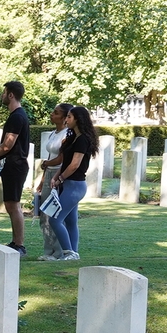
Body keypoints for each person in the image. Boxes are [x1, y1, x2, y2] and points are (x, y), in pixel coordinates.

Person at [44, 106, 96, 261]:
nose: (66, 120)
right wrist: (56, 177)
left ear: (78, 119)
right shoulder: (72, 138)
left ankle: (69, 252)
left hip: (75, 185)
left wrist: (60, 178)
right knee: (70, 221)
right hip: (68, 185)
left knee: (55, 220)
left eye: (69, 117)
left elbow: (74, 165)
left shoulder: (82, 140)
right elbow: (65, 163)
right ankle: (73, 253)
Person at [0, 80, 33, 254]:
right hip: (12, 164)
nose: (2, 95)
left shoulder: (17, 116)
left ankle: (19, 244)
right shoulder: (17, 115)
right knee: (10, 204)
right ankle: (15, 242)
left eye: (4, 92)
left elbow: (8, 145)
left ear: (11, 95)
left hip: (16, 165)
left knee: (13, 205)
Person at [32, 101, 71, 260]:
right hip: (49, 173)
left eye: (56, 113)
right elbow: (49, 157)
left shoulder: (67, 135)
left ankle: (59, 251)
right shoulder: (54, 133)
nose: (52, 114)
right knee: (44, 214)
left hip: (59, 175)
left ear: (64, 117)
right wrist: (42, 180)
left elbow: (62, 158)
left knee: (54, 214)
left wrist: (47, 164)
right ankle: (49, 251)